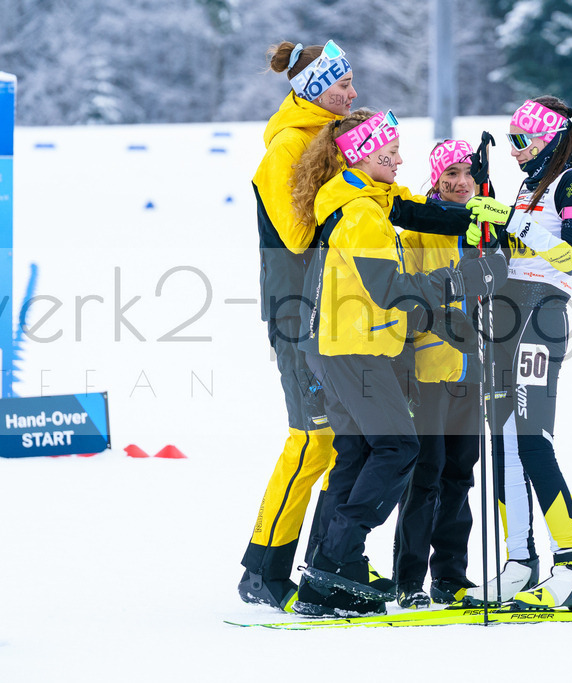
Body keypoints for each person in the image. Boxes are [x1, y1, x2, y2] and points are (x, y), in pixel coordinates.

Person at [289, 110, 507, 616]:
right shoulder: (361, 212)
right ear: (362, 156)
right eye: (389, 156)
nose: (400, 160)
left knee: (359, 455)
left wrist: (480, 216)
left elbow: (424, 211)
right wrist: (456, 283)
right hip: (351, 348)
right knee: (397, 447)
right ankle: (338, 560)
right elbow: (389, 290)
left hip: (343, 347)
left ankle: (329, 579)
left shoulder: (371, 198)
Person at [464, 96, 572, 609]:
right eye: (512, 143)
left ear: (550, 138)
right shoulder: (527, 185)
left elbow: (569, 253)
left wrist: (510, 220)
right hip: (506, 314)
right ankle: (519, 562)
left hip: (543, 315)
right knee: (502, 442)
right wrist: (486, 211)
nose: (516, 152)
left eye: (522, 142)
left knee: (533, 439)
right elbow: (510, 250)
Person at [237, 39, 356, 612]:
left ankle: (322, 567)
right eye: (341, 87)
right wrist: (354, 199)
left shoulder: (330, 138)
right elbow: (300, 234)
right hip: (294, 312)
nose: (352, 94)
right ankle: (263, 570)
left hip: (331, 312)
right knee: (312, 440)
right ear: (313, 90)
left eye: (352, 84)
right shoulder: (287, 146)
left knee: (335, 445)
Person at [392, 140, 483, 608]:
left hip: (472, 371)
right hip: (428, 370)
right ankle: (408, 580)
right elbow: (404, 296)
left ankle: (451, 575)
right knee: (423, 477)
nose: (460, 183)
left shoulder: (482, 225)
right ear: (435, 179)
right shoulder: (419, 229)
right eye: (450, 175)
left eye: (467, 173)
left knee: (460, 477)